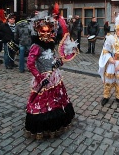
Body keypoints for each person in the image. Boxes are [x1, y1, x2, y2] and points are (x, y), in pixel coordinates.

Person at [24, 10, 78, 140]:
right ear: (37, 31)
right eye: (43, 31)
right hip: (43, 79)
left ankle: (59, 123)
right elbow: (30, 64)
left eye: (49, 31)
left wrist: (59, 62)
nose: (47, 33)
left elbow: (52, 60)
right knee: (43, 102)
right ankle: (45, 127)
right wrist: (39, 77)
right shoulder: (36, 46)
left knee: (58, 99)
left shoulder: (49, 45)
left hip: (54, 77)